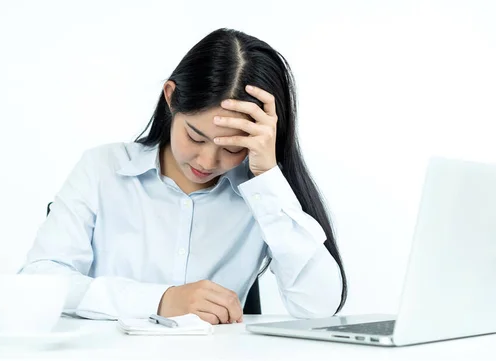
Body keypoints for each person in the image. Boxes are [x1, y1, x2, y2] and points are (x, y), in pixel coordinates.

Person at [19, 28, 347, 324]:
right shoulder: (102, 169)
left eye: (232, 147)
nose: (207, 160)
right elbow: (38, 281)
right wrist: (161, 300)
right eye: (195, 136)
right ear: (171, 97)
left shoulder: (262, 196)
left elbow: (318, 308)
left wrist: (268, 179)